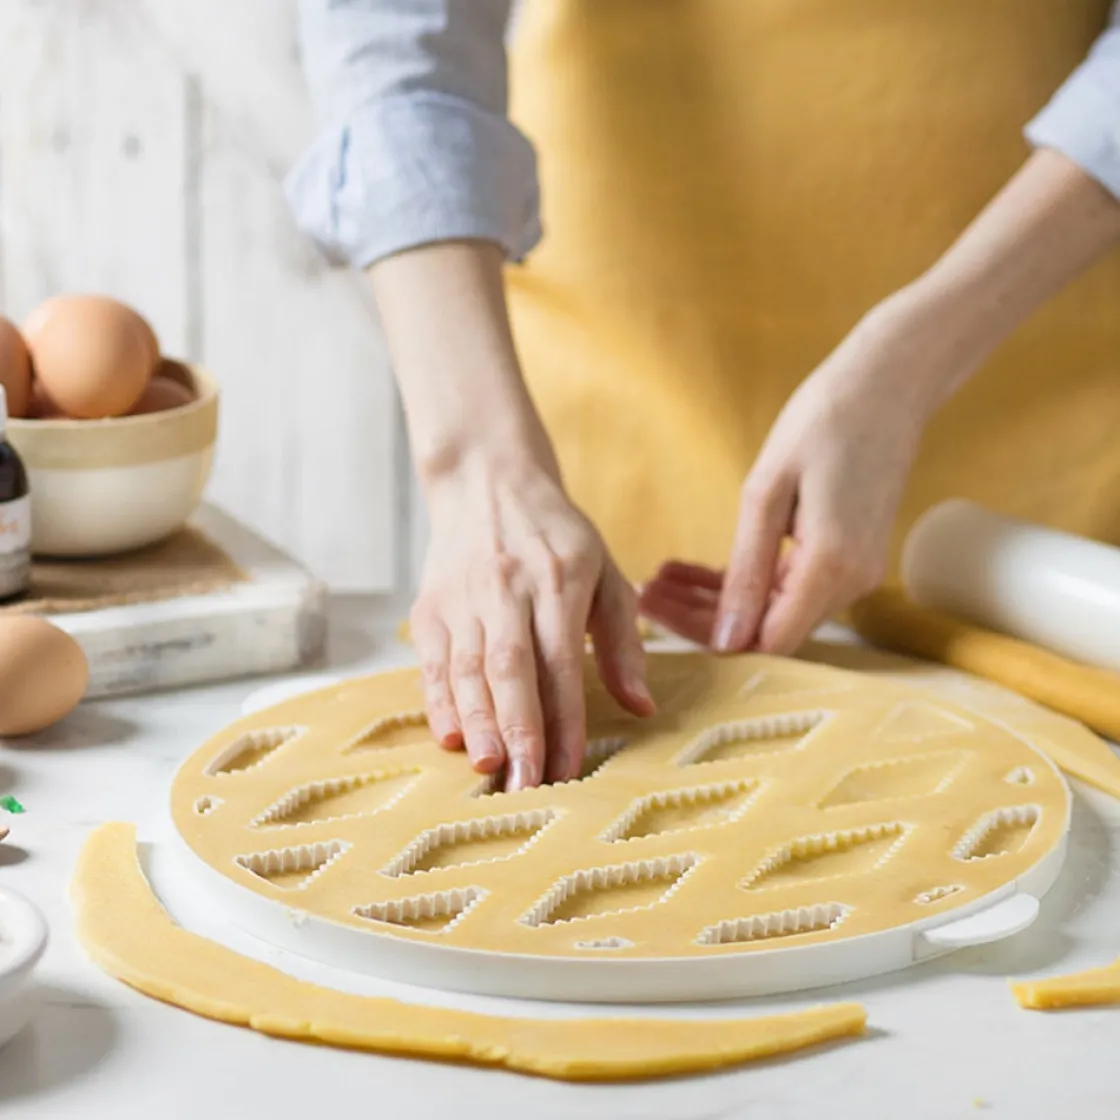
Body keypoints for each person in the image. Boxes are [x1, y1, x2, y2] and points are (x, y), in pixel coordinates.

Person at [285, 0, 1120, 792]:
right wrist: (477, 464)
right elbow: (396, 36)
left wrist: (912, 364)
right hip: (611, 437)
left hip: (1031, 421)